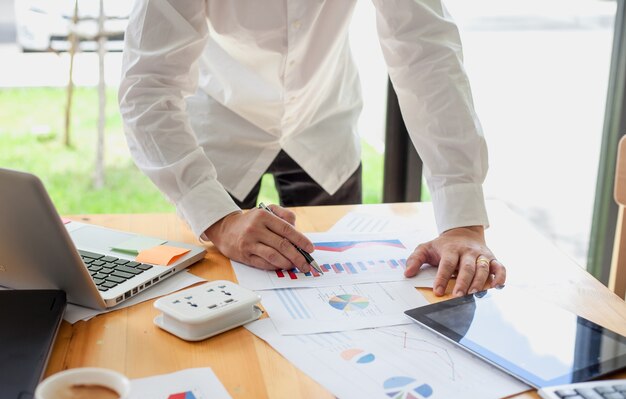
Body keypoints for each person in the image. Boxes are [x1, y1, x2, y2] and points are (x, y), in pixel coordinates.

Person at [118, 0, 506, 297]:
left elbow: (427, 55)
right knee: (211, 292)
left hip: (324, 125)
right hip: (219, 128)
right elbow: (148, 88)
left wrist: (463, 221)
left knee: (338, 292)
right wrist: (216, 217)